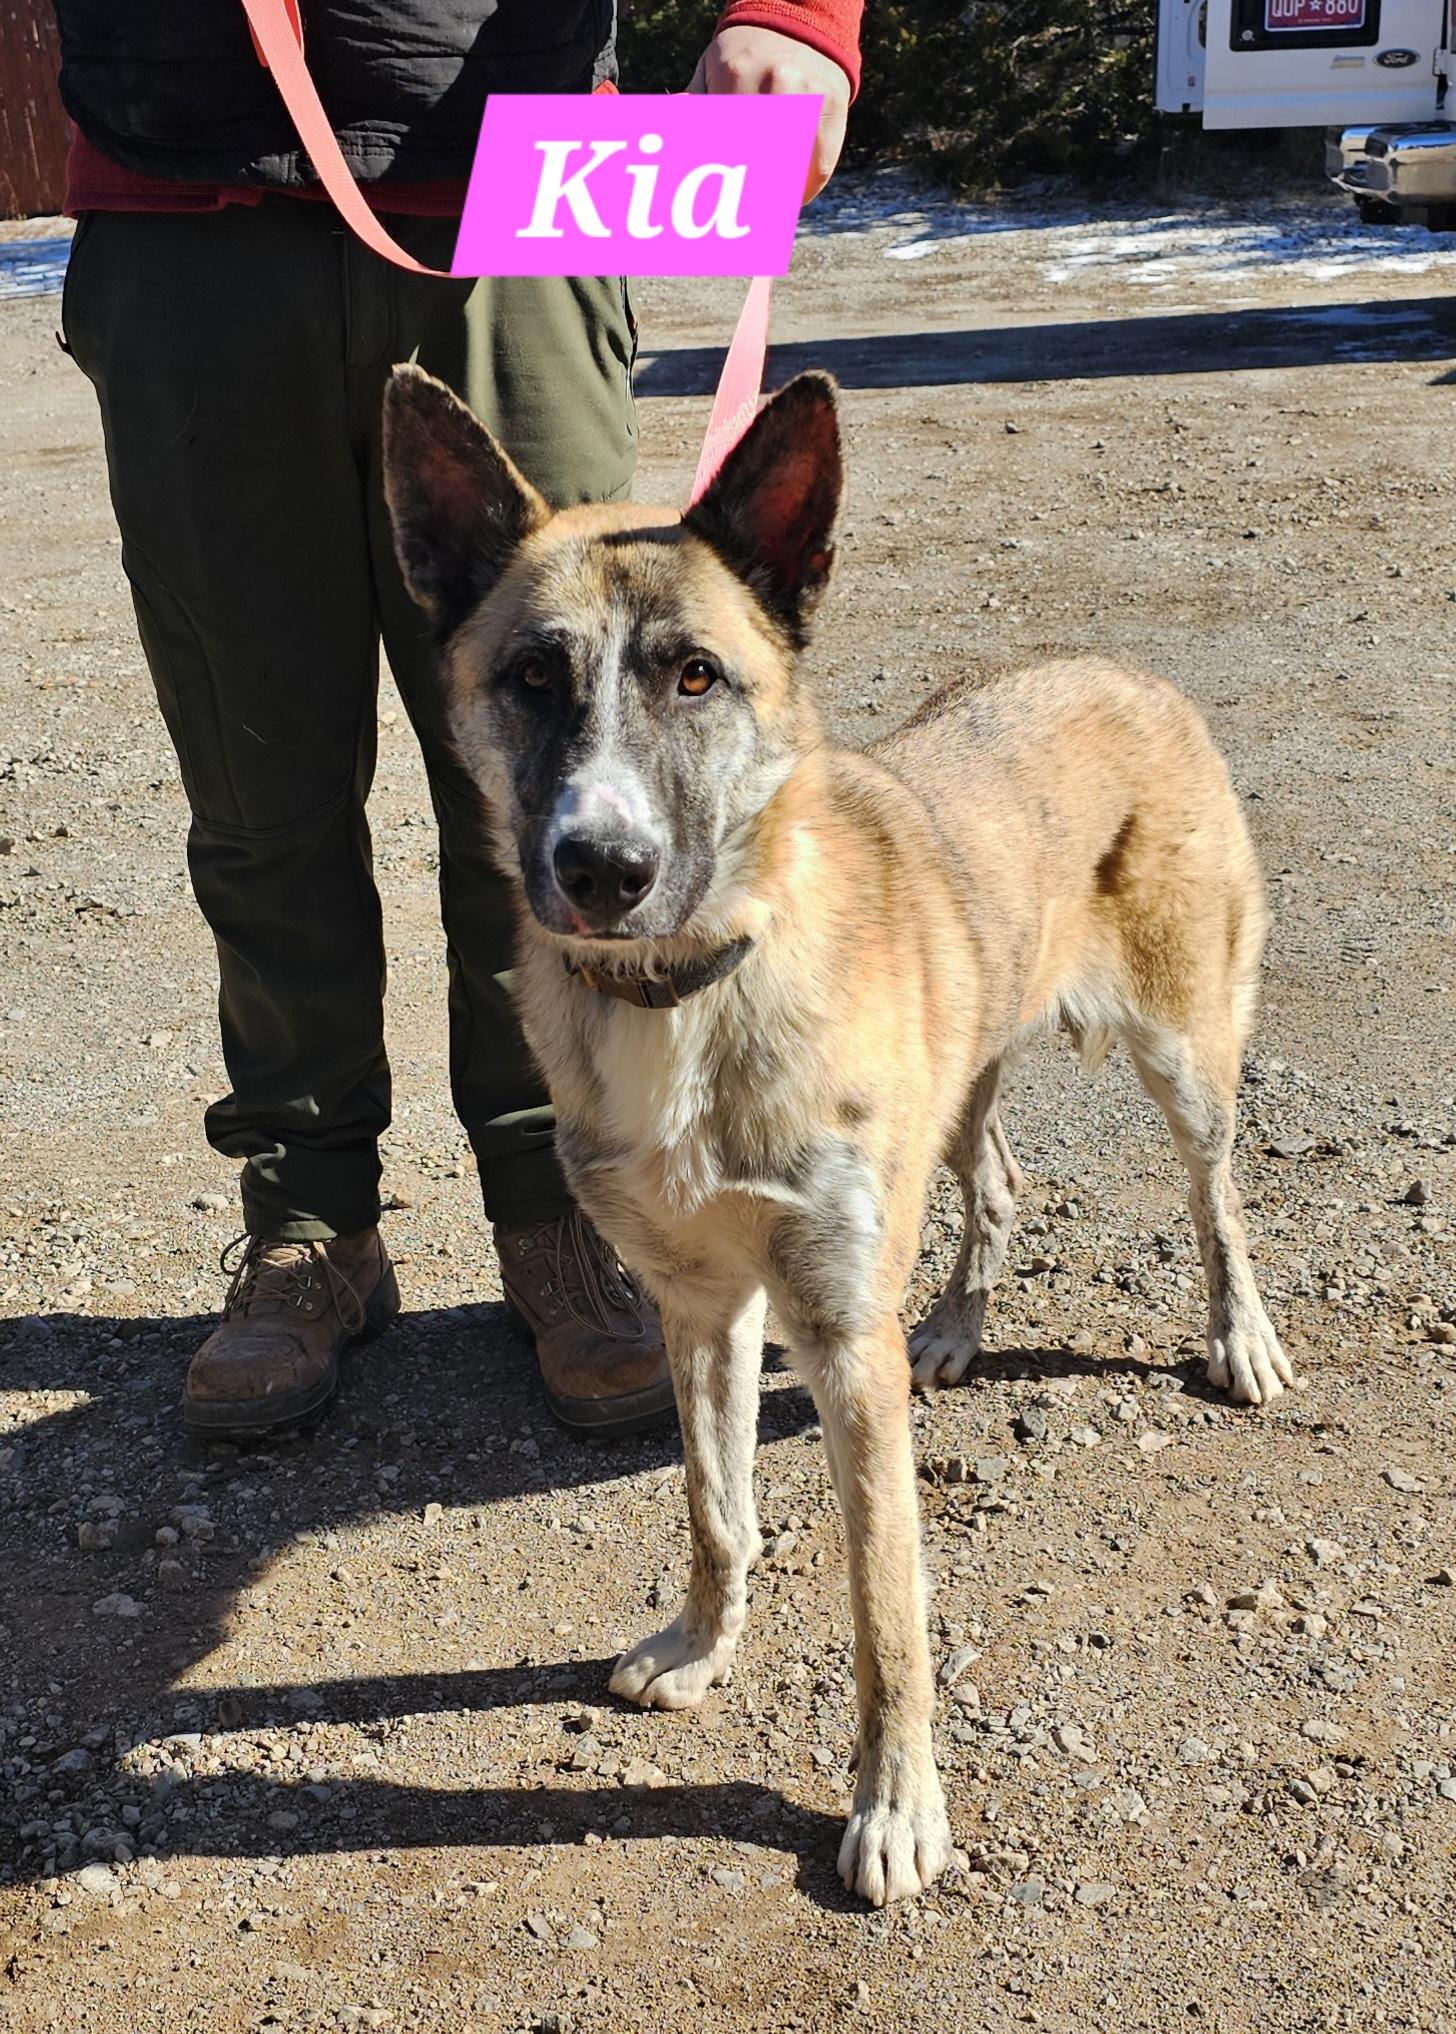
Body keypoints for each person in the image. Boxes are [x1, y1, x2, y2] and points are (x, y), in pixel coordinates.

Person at [49, 0, 861, 1441]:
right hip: (187, 197)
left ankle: (561, 1205)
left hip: (516, 174)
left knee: (568, 776)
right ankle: (311, 1221)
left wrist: (793, 16)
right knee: (257, 777)